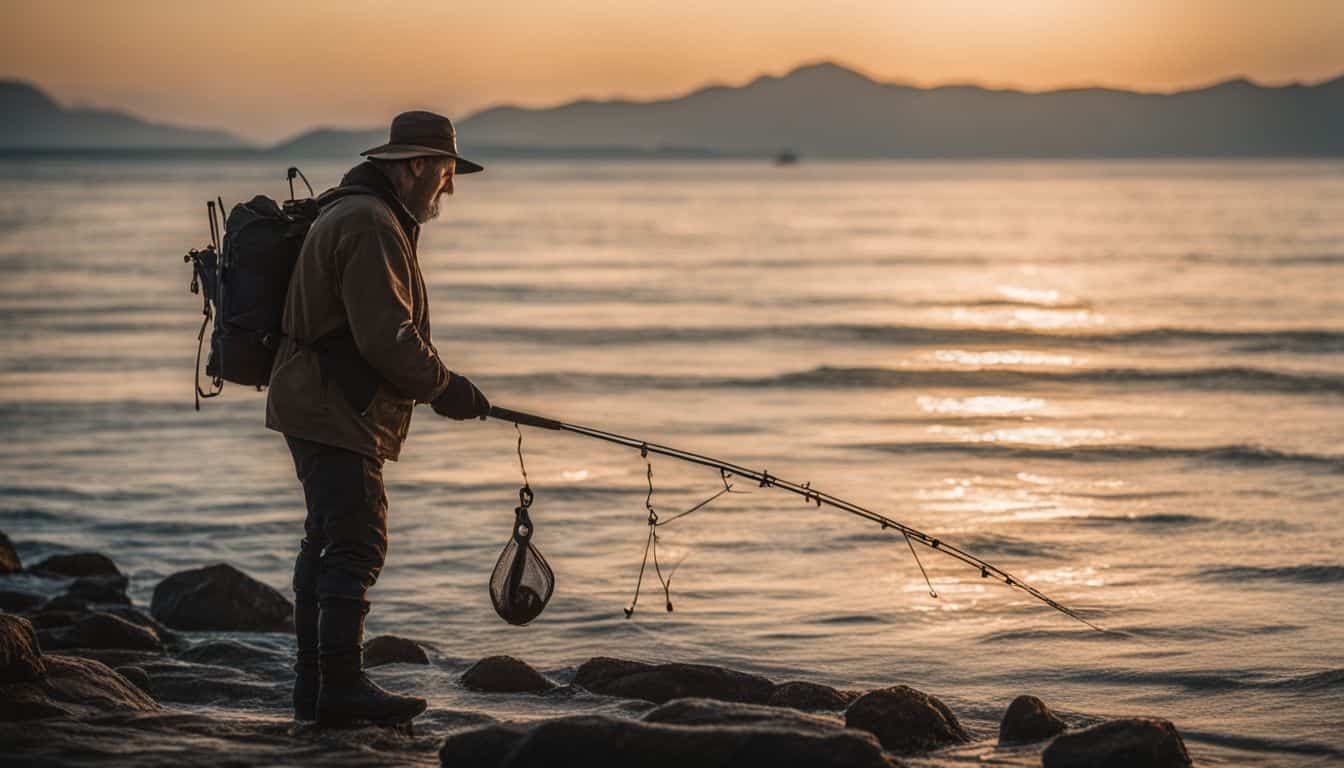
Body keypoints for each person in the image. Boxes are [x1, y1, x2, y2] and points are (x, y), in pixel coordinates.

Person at [265, 111, 491, 725]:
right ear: (415, 166)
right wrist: (448, 388)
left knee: (328, 539)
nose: (449, 186)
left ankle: (314, 689)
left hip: (316, 401)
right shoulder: (369, 221)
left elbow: (375, 334)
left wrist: (441, 386)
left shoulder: (363, 212)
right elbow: (386, 338)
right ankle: (338, 688)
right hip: (330, 407)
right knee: (358, 541)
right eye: (446, 171)